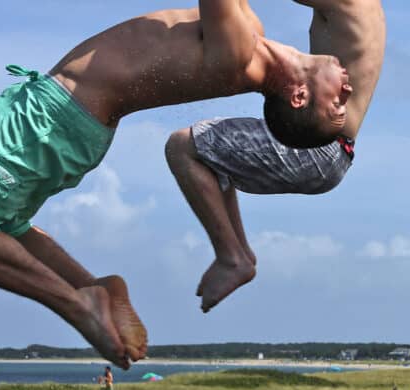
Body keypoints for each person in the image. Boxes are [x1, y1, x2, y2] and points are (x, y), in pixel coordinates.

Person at [0, 0, 352, 368]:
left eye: (337, 105)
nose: (347, 94)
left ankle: (76, 304)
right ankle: (91, 285)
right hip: (72, 128)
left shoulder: (237, 49)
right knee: (6, 225)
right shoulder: (247, 36)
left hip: (51, 120)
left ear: (299, 96)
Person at [165, 0, 386, 312]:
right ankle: (238, 254)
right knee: (209, 156)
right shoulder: (367, 9)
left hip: (316, 149)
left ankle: (232, 255)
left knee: (182, 147)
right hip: (331, 152)